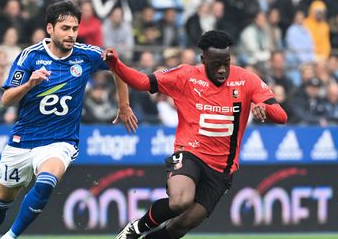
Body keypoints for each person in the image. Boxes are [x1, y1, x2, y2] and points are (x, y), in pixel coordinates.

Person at [102, 30, 288, 239]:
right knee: (180, 201)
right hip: (190, 152)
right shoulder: (185, 76)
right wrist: (116, 63)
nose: (222, 70)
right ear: (203, 59)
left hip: (222, 169)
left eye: (226, 63)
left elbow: (281, 116)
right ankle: (136, 228)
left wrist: (264, 106)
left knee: (179, 227)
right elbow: (143, 82)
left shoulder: (246, 80)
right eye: (216, 63)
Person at [0, 1, 137, 239]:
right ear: (50, 29)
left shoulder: (86, 55)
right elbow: (6, 100)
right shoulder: (30, 57)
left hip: (60, 140)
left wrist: (124, 105)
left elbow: (118, 67)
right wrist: (29, 84)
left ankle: (10, 236)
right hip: (23, 139)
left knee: (45, 182)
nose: (71, 34)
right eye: (65, 28)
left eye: (75, 28)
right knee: (2, 199)